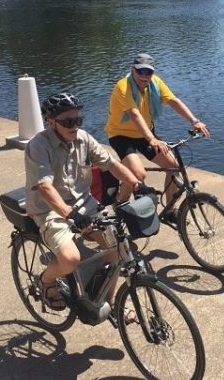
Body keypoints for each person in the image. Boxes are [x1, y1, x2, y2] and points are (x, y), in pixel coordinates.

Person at [25, 91, 142, 311]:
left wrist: (136, 183)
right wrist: (70, 215)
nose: (74, 125)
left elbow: (111, 163)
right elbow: (44, 187)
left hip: (84, 203)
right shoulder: (38, 146)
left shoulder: (83, 138)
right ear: (51, 122)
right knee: (70, 259)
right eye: (68, 121)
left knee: (117, 246)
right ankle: (46, 281)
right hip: (49, 210)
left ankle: (111, 300)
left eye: (78, 120)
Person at [104, 52, 210, 215]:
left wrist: (194, 121)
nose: (144, 76)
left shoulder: (155, 83)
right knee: (138, 174)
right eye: (140, 71)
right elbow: (134, 114)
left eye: (149, 72)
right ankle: (120, 203)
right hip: (121, 136)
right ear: (133, 70)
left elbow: (173, 101)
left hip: (144, 134)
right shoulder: (123, 87)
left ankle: (170, 210)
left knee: (173, 167)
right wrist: (152, 139)